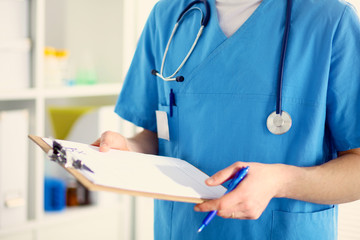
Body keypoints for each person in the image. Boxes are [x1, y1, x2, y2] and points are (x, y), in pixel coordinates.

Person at [92, 0, 360, 239]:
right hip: (183, 229)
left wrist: (281, 182)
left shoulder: (331, 20)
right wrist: (127, 149)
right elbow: (158, 136)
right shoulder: (168, 14)